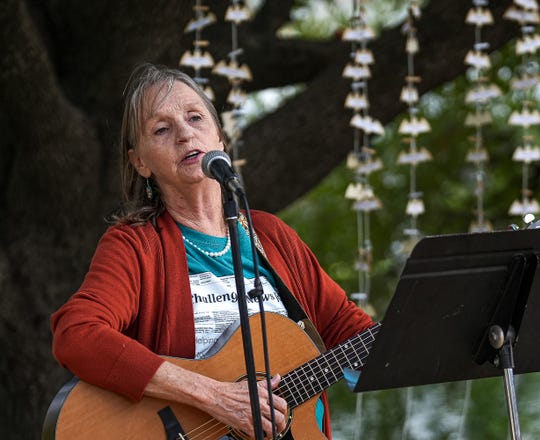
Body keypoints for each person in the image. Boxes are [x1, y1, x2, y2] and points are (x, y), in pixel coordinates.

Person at [50, 63, 374, 440]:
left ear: (220, 138)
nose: (186, 134)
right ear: (140, 162)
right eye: (161, 129)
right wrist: (215, 396)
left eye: (195, 117)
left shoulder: (272, 235)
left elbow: (352, 332)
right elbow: (77, 333)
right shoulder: (136, 246)